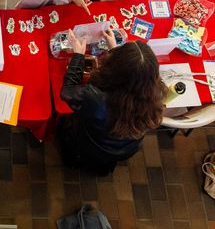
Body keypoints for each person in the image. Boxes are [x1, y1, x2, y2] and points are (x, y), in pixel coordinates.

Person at [58, 29, 166, 175]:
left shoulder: (96, 99)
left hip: (90, 143)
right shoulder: (156, 93)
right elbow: (134, 74)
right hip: (125, 149)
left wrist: (78, 55)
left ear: (115, 68)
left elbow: (68, 91)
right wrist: (115, 50)